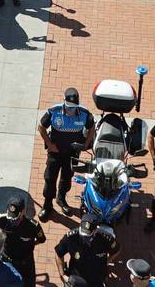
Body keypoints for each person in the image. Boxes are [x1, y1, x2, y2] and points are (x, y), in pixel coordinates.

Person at [38, 87, 96, 220]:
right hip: (56, 152)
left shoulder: (85, 113)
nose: (71, 110)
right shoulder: (53, 112)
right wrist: (50, 144)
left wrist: (86, 144)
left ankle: (61, 199)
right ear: (63, 101)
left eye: (73, 107)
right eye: (68, 107)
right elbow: (41, 127)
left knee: (67, 177)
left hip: (72, 153)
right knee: (50, 178)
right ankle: (47, 205)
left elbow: (91, 128)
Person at [0, 196, 46, 285]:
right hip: (7, 260)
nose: (13, 220)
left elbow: (41, 239)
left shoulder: (32, 226)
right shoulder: (2, 220)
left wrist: (31, 244)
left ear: (23, 211)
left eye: (16, 217)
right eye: (11, 217)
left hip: (25, 263)